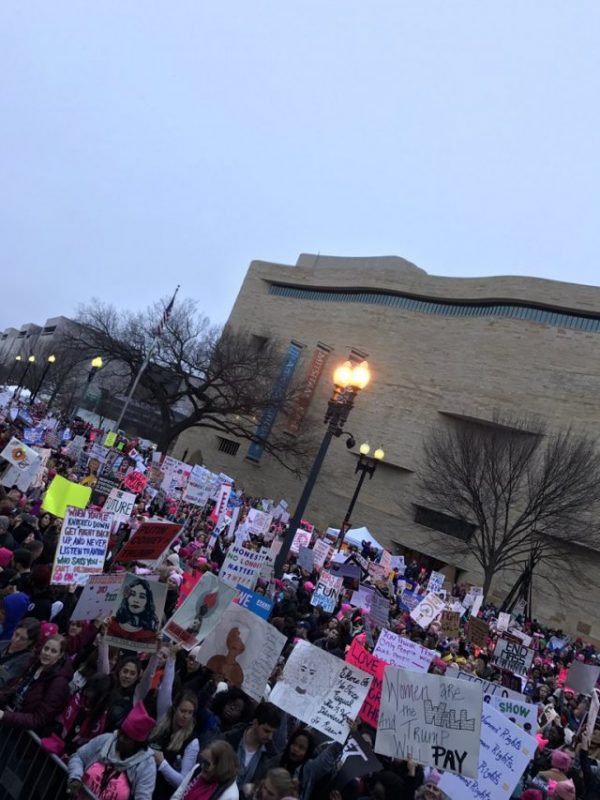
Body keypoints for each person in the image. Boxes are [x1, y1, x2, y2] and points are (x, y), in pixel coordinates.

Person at [67, 700, 157, 800]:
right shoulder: (105, 740)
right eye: (121, 733)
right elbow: (78, 757)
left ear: (137, 744)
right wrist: (75, 777)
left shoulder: (146, 765)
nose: (120, 739)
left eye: (126, 738)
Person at [0, 633, 72, 735]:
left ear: (60, 655)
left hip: (22, 735)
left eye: (53, 651)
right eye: (46, 648)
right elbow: (13, 688)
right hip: (9, 722)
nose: (47, 653)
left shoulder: (59, 683)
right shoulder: (34, 665)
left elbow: (39, 719)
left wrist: (4, 715)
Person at [221, 702, 283, 792]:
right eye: (266, 731)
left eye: (273, 732)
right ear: (255, 722)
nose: (270, 737)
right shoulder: (229, 738)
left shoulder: (271, 757)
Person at [171, 740, 240, 800]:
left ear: (220, 767)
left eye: (207, 764)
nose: (202, 766)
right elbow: (178, 795)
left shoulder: (230, 796)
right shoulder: (197, 769)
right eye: (201, 760)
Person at [106, 577, 161, 646]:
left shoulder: (150, 634)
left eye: (142, 596)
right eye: (132, 594)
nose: (136, 600)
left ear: (147, 601)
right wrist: (101, 629)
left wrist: (157, 642)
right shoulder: (112, 623)